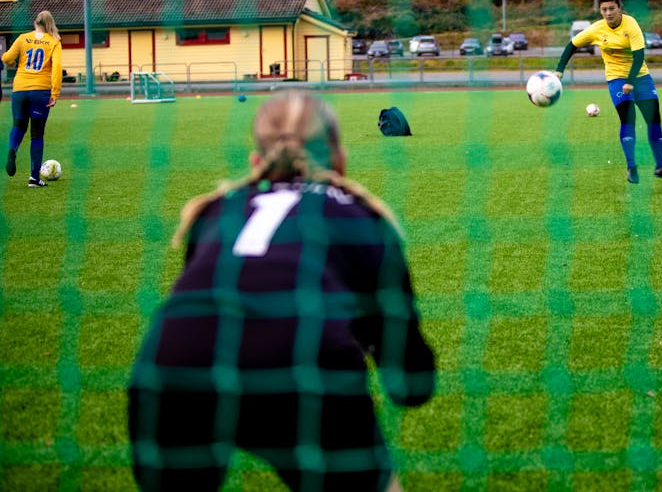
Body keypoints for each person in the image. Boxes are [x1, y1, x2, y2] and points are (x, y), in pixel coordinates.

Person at [128, 91, 436, 492]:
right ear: (339, 160)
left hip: (170, 367)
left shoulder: (214, 211)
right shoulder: (363, 218)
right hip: (302, 363)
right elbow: (410, 387)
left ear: (257, 162)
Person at [555, 0, 662, 183]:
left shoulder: (631, 24)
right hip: (616, 79)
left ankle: (661, 166)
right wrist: (560, 69)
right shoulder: (597, 28)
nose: (608, 13)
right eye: (604, 9)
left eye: (612, 8)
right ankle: (631, 167)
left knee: (654, 119)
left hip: (641, 77)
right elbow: (572, 45)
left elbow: (639, 57)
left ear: (620, 8)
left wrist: (631, 80)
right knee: (628, 117)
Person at [2, 10, 62, 186]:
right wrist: (55, 93)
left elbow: (7, 58)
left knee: (18, 126)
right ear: (50, 24)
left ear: (35, 23)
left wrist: (10, 61)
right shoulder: (54, 42)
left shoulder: (23, 38)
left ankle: (12, 150)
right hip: (40, 91)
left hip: (19, 89)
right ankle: (34, 178)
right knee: (37, 134)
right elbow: (57, 68)